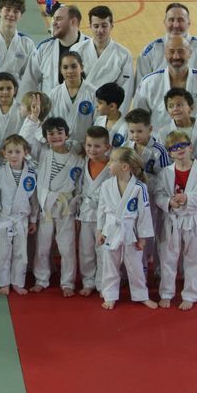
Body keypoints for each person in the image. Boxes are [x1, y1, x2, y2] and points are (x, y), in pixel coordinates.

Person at [154, 131, 197, 310]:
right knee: (167, 258)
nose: (179, 149)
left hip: (192, 220)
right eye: (174, 148)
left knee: (192, 259)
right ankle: (166, 293)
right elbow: (158, 194)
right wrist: (168, 202)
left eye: (182, 145)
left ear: (191, 147)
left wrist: (188, 197)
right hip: (171, 220)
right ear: (169, 153)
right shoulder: (165, 172)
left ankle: (190, 295)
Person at [97, 147, 157, 311]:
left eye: (112, 161)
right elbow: (101, 209)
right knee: (110, 264)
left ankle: (141, 295)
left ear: (124, 166)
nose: (108, 163)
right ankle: (110, 295)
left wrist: (142, 238)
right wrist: (100, 230)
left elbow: (144, 213)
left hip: (131, 231)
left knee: (135, 266)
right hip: (111, 229)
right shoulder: (106, 185)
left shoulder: (139, 187)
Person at [28, 117, 81, 296]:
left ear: (67, 135)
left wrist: (78, 211)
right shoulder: (43, 152)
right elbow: (25, 139)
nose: (56, 136)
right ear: (45, 137)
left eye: (60, 132)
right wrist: (32, 118)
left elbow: (80, 187)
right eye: (51, 133)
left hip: (66, 207)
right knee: (42, 246)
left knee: (66, 247)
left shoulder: (77, 159)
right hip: (46, 205)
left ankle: (67, 283)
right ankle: (41, 279)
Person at [132, 35, 197, 132]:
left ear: (190, 53)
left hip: (196, 140)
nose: (176, 56)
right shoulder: (148, 84)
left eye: (181, 51)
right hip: (158, 140)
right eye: (171, 51)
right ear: (165, 54)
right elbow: (137, 121)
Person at [0, 134, 38, 295]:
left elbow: (34, 199)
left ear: (26, 152)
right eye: (10, 152)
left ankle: (18, 282)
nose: (14, 155)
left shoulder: (31, 173)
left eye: (18, 152)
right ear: (4, 153)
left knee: (20, 251)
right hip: (4, 218)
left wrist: (33, 220)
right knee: (3, 252)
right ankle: (4, 283)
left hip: (21, 219)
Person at [136, 3, 197, 83]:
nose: (175, 25)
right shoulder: (149, 52)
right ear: (165, 22)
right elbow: (141, 86)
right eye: (171, 20)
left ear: (188, 23)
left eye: (180, 20)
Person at [20, 4, 88, 96]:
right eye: (54, 19)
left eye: (58, 19)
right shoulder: (43, 48)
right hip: (49, 104)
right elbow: (28, 83)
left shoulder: (91, 48)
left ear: (73, 21)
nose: (54, 23)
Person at [72, 5, 134, 107]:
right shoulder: (77, 50)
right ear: (90, 26)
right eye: (96, 26)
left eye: (104, 26)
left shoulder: (124, 55)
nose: (100, 30)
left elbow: (126, 89)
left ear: (112, 26)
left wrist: (117, 115)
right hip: (80, 105)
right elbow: (69, 83)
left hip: (108, 108)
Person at [77, 125, 112, 296]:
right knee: (86, 250)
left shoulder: (112, 166)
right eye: (89, 145)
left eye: (97, 146)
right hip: (85, 213)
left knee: (103, 250)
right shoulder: (83, 162)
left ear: (107, 147)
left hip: (104, 216)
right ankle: (88, 281)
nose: (92, 149)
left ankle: (103, 284)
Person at [46, 50, 97, 154]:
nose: (69, 71)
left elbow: (98, 123)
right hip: (59, 148)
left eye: (74, 66)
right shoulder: (54, 93)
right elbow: (48, 122)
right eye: (65, 67)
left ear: (81, 67)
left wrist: (90, 146)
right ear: (60, 70)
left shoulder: (93, 93)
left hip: (86, 150)